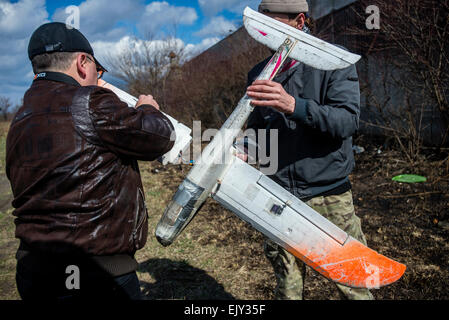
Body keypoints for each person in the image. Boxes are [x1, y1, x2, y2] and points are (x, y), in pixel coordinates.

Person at [5, 22, 175, 300]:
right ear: (83, 63)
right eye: (98, 70)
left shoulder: (21, 117)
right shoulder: (90, 101)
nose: (98, 78)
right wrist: (147, 108)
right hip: (93, 274)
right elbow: (159, 138)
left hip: (32, 269)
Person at [245, 0, 374, 300]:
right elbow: (256, 129)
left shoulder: (333, 62)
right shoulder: (258, 73)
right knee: (287, 290)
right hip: (278, 197)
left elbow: (347, 121)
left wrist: (293, 106)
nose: (265, 34)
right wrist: (246, 149)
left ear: (299, 21)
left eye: (274, 25)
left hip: (328, 196)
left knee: (355, 286)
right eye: (261, 27)